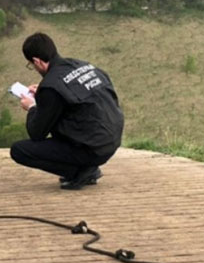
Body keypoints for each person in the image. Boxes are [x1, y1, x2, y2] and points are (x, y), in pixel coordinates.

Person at [10, 32, 124, 190]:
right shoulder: (83, 65)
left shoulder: (50, 87)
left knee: (19, 150)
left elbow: (36, 133)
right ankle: (86, 167)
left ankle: (80, 172)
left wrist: (32, 107)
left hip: (91, 148)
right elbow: (73, 94)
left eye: (31, 65)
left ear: (37, 61)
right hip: (111, 141)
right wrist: (43, 95)